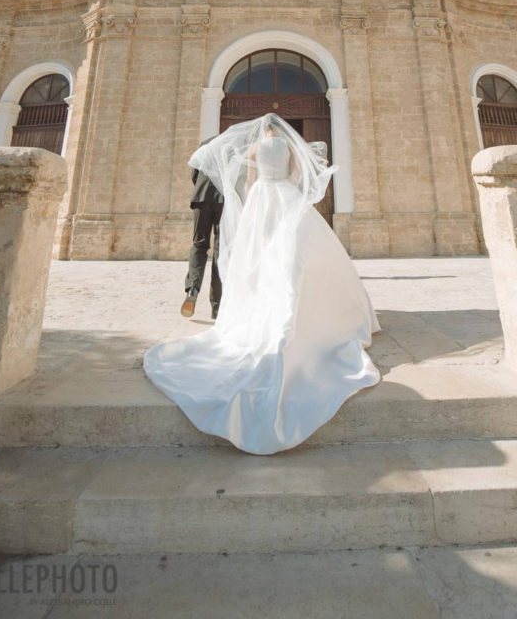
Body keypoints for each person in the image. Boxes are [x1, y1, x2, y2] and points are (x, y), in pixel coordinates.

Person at [144, 113, 380, 455]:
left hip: (263, 199)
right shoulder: (288, 146)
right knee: (292, 255)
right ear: (281, 130)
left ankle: (219, 299)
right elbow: (299, 175)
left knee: (257, 254)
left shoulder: (254, 148)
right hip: (284, 194)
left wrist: (256, 198)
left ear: (262, 129)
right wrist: (290, 188)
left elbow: (251, 180)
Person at [181, 142, 223, 320]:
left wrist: (201, 189)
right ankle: (216, 306)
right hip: (223, 200)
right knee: (220, 251)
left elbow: (194, 173)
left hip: (201, 197)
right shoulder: (230, 148)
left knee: (199, 245)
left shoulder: (205, 146)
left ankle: (192, 289)